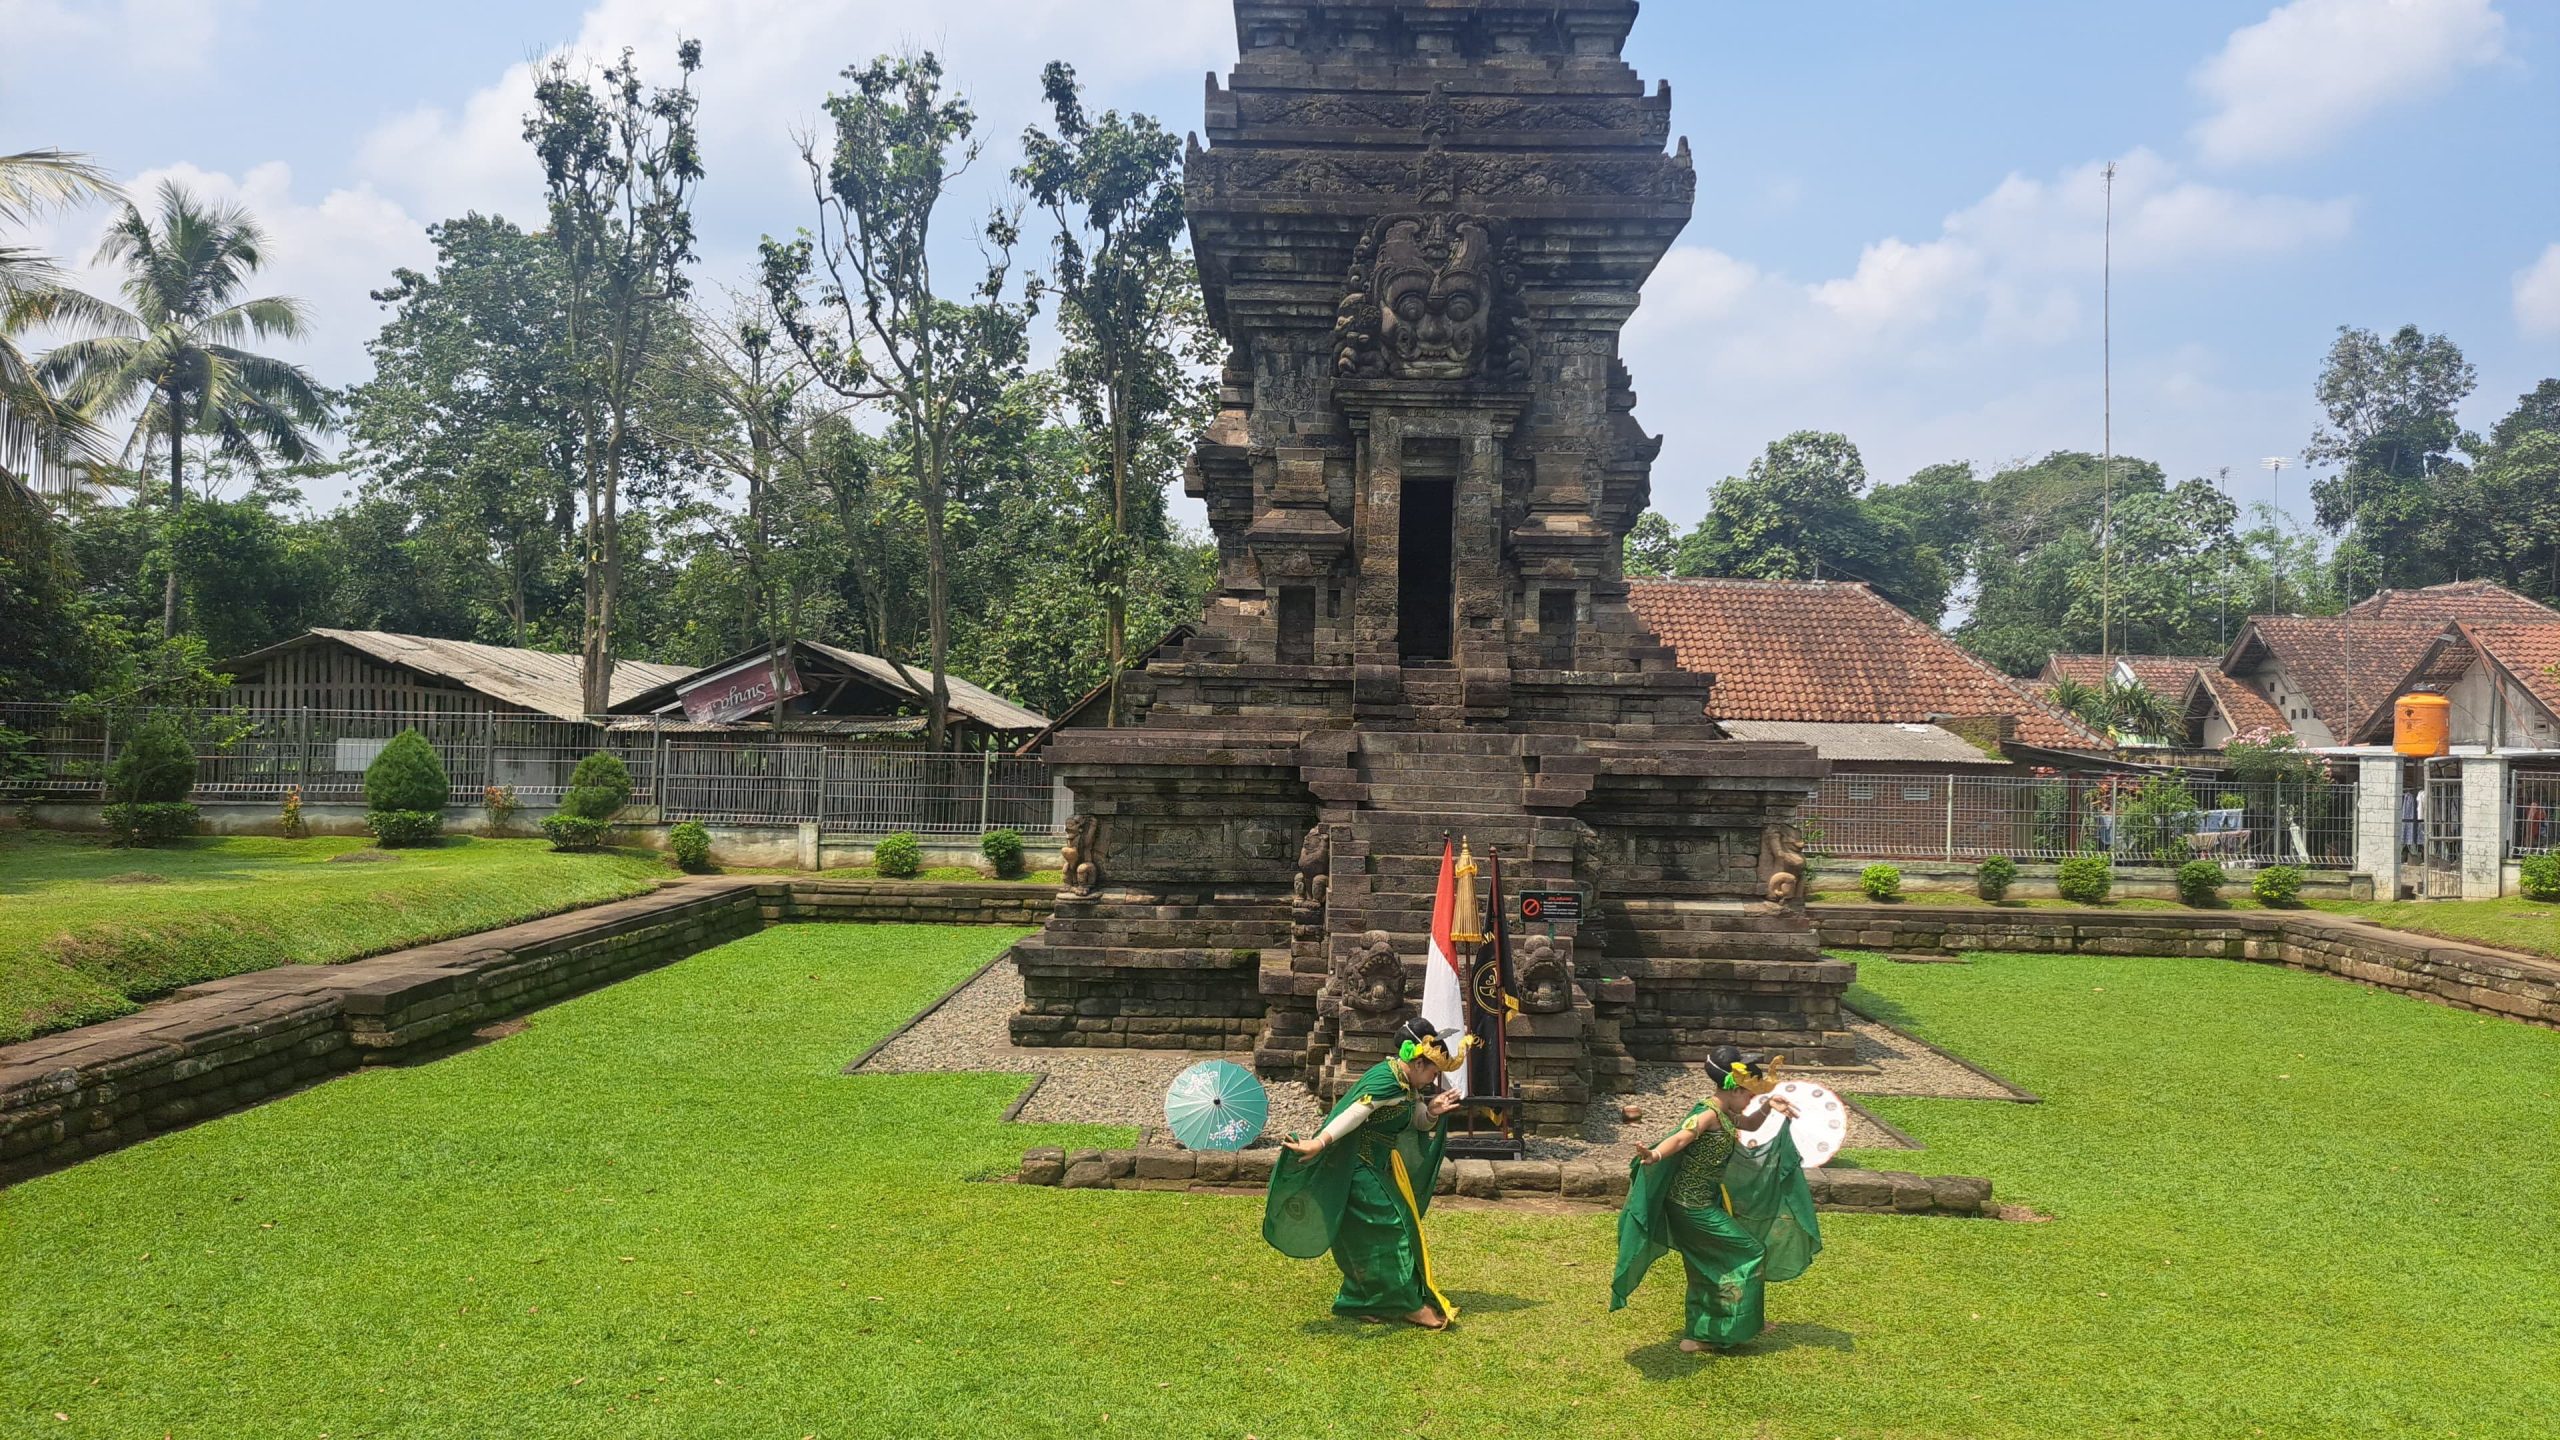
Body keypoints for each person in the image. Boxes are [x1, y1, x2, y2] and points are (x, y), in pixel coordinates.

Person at [1610, 1046, 1824, 1353]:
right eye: (1750, 1095)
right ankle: (1725, 1327)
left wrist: (1769, 1106)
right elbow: (1682, 1137)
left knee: (1706, 1264)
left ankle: (1711, 1330)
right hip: (1691, 1207)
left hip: (1702, 1202)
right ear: (1735, 1089)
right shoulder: (1708, 1114)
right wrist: (1655, 1154)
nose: (1751, 1101)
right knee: (1750, 1251)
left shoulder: (1725, 1113)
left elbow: (1751, 1124)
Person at [1263, 1018, 1468, 1328]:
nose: (1434, 1078)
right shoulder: (1387, 1080)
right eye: (1433, 1071)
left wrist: (1431, 1112)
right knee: (1394, 1226)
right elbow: (1356, 1112)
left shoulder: (1405, 1083)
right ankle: (1409, 1305)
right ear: (1418, 1062)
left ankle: (1360, 1300)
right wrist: (1320, 1142)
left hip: (1376, 1167)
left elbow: (1414, 1120)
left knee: (1365, 1237)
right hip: (1356, 1166)